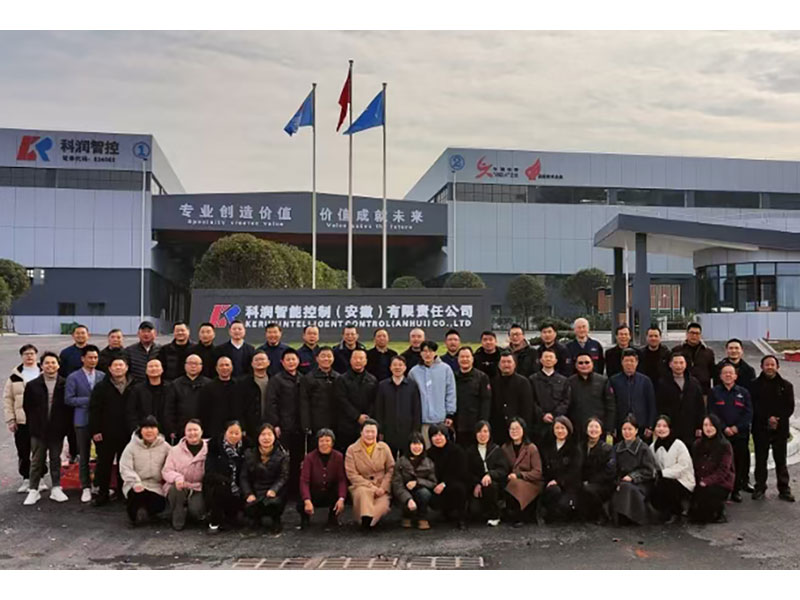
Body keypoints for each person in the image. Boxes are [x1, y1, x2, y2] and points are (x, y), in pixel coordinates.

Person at [22, 352, 70, 505]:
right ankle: (33, 490)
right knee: (37, 460)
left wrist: (64, 427)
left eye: (53, 363)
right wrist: (34, 425)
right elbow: (27, 407)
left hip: (57, 430)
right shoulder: (32, 385)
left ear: (58, 365)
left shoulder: (65, 383)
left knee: (56, 459)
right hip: (38, 430)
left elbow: (68, 408)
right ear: (41, 366)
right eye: (47, 363)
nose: (50, 366)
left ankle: (56, 488)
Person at [89, 356, 134, 506]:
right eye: (115, 365)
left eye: (121, 365)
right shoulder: (101, 387)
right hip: (106, 432)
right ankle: (102, 493)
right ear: (109, 369)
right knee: (104, 464)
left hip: (127, 432)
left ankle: (123, 493)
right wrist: (95, 430)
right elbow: (94, 410)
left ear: (126, 368)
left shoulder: (134, 385)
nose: (118, 368)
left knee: (125, 464)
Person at [751, 355, 795, 502]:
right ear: (761, 367)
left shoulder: (786, 386)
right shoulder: (754, 385)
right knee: (760, 459)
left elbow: (789, 407)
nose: (769, 367)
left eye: (772, 365)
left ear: (777, 367)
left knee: (781, 460)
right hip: (760, 428)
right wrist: (767, 418)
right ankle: (760, 487)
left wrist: (777, 419)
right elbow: (754, 406)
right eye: (767, 364)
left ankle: (784, 489)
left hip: (780, 428)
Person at [65, 344, 104, 503]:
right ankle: (85, 486)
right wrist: (90, 401)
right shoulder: (73, 377)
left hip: (100, 421)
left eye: (95, 357)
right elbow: (69, 399)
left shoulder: (102, 375)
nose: (93, 360)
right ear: (83, 359)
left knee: (102, 454)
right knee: (84, 455)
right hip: (82, 420)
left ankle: (99, 484)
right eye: (90, 357)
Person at [709, 363, 753, 502]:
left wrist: (736, 428)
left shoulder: (743, 393)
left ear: (735, 376)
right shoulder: (714, 392)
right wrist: (723, 428)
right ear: (720, 376)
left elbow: (748, 413)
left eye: (731, 373)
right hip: (721, 435)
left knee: (739, 462)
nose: (728, 375)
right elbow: (711, 412)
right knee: (721, 463)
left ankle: (736, 490)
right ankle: (721, 490)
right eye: (725, 373)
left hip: (740, 435)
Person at [344, 419, 395, 530]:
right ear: (361, 432)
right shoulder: (352, 450)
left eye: (373, 432)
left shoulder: (384, 447)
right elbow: (352, 474)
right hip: (361, 485)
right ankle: (365, 520)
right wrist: (371, 487)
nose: (370, 435)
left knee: (383, 505)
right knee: (363, 494)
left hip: (380, 487)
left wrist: (383, 487)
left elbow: (391, 469)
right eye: (367, 432)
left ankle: (370, 520)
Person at [119, 415, 170, 526]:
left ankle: (149, 512)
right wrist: (135, 482)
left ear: (157, 430)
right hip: (136, 484)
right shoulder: (131, 447)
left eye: (152, 427)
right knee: (136, 495)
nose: (149, 431)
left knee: (159, 504)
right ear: (140, 430)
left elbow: (173, 463)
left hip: (156, 486)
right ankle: (133, 516)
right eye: (146, 428)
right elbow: (125, 467)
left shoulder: (165, 446)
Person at [266, 348, 303, 496]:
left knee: (298, 460)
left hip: (300, 427)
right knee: (285, 461)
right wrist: (275, 424)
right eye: (288, 360)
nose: (291, 362)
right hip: (284, 427)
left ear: (298, 361)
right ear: (282, 362)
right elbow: (271, 403)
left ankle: (296, 492)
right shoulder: (276, 380)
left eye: (293, 359)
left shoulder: (302, 378)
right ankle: (284, 493)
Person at [4, 344, 41, 494]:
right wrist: (10, 419)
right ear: (22, 356)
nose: (29, 356)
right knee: (23, 451)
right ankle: (26, 478)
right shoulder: (15, 376)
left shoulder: (43, 372)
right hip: (22, 420)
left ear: (36, 355)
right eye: (26, 354)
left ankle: (40, 478)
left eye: (32, 353)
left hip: (40, 420)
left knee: (39, 451)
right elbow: (8, 399)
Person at [610, 415, 658, 526]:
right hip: (621, 481)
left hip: (641, 483)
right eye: (624, 429)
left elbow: (649, 470)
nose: (627, 432)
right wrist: (618, 481)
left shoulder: (643, 448)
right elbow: (613, 468)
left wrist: (632, 477)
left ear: (636, 430)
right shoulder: (617, 447)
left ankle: (631, 517)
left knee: (626, 488)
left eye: (630, 429)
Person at [241, 423, 289, 533]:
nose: (266, 438)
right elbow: (244, 477)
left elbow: (283, 477)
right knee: (250, 505)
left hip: (272, 492)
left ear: (274, 437)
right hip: (255, 491)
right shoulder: (249, 454)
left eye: (269, 434)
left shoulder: (282, 456)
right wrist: (248, 493)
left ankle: (276, 520)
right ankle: (255, 519)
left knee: (275, 502)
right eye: (263, 434)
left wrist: (274, 490)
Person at [162, 419, 208, 530]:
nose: (192, 433)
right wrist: (177, 478)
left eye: (195, 430)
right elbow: (166, 470)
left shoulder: (209, 449)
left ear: (201, 432)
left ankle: (191, 510)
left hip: (199, 487)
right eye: (189, 430)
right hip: (180, 485)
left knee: (197, 511)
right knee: (175, 489)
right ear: (185, 432)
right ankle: (178, 516)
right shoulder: (175, 450)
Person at [409, 341, 456, 447]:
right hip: (423, 421)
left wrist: (450, 413)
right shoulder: (414, 372)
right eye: (424, 351)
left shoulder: (445, 369)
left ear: (435, 352)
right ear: (420, 353)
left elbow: (450, 392)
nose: (427, 354)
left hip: (441, 421)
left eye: (430, 351)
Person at [298, 428, 347, 529]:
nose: (324, 444)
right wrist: (307, 500)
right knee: (302, 497)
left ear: (332, 443)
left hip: (329, 491)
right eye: (321, 441)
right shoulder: (309, 458)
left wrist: (341, 498)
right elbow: (304, 481)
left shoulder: (338, 456)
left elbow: (341, 479)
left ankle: (333, 518)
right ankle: (305, 518)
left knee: (338, 493)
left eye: (327, 441)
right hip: (314, 491)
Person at [689, 414, 735, 523]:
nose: (708, 428)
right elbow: (693, 465)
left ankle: (719, 511)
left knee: (706, 513)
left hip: (720, 483)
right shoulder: (697, 444)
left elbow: (723, 471)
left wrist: (707, 481)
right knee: (695, 514)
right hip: (700, 481)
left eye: (711, 425)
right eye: (705, 425)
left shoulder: (725, 445)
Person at [650, 416, 695, 523]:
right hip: (663, 479)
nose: (661, 429)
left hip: (683, 481)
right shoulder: (652, 447)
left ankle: (676, 512)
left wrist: (663, 473)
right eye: (658, 426)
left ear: (670, 428)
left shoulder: (678, 445)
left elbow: (683, 466)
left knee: (666, 484)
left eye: (665, 426)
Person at [203, 420, 246, 532]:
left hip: (240, 485)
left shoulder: (246, 447)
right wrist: (226, 480)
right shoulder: (214, 447)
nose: (234, 436)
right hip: (220, 485)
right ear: (225, 432)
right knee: (219, 489)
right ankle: (214, 521)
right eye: (230, 432)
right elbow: (209, 472)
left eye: (237, 433)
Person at [656, 352, 705, 449]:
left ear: (686, 364)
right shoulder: (663, 383)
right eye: (676, 363)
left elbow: (700, 406)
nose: (678, 366)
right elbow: (659, 406)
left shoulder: (694, 383)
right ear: (670, 364)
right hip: (671, 427)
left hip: (690, 427)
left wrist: (700, 426)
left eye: (681, 363)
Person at [538, 416, 582, 523]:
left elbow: (574, 471)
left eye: (563, 428)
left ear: (568, 429)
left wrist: (558, 481)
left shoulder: (574, 448)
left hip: (568, 484)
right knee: (553, 492)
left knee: (565, 507)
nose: (560, 431)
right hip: (549, 484)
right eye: (557, 428)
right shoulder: (547, 446)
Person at [466, 421, 510, 526]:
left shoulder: (496, 450)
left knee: (490, 486)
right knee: (474, 511)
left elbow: (503, 469)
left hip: (494, 485)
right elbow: (467, 472)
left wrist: (490, 474)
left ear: (490, 433)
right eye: (479, 432)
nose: (482, 435)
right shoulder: (470, 451)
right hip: (476, 486)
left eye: (485, 431)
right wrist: (477, 483)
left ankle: (495, 515)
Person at [375, 355, 422, 455]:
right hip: (388, 432)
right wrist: (380, 430)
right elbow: (379, 409)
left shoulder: (412, 386)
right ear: (390, 367)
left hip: (407, 432)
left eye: (400, 365)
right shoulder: (383, 386)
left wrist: (415, 431)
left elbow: (417, 410)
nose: (397, 367)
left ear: (405, 368)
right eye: (395, 365)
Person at [333, 348, 378, 451]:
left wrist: (367, 418)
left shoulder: (372, 380)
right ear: (350, 360)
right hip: (347, 426)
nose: (358, 361)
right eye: (355, 358)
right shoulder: (341, 379)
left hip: (366, 425)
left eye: (361, 358)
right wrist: (357, 416)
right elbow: (342, 400)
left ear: (366, 361)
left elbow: (374, 401)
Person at [501, 417, 543, 526]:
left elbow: (537, 472)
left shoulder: (531, 448)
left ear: (523, 430)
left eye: (517, 428)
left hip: (530, 482)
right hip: (510, 481)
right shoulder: (505, 448)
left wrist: (519, 475)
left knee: (516, 484)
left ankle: (520, 516)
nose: (514, 431)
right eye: (512, 429)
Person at [426, 423, 469, 529]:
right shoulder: (429, 453)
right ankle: (443, 513)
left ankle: (461, 519)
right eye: (434, 435)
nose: (438, 438)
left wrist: (444, 483)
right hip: (435, 485)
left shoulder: (456, 450)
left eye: (441, 435)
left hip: (453, 483)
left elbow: (461, 471)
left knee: (459, 488)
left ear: (446, 436)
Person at [392, 431, 437, 530]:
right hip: (404, 493)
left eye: (419, 444)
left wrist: (418, 482)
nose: (417, 447)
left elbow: (433, 482)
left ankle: (422, 517)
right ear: (409, 446)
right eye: (414, 444)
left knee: (424, 493)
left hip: (420, 492)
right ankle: (406, 515)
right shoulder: (400, 462)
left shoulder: (428, 462)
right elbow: (397, 484)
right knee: (401, 496)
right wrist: (408, 499)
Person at [609, 348, 656, 441]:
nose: (629, 364)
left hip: (641, 425)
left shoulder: (645, 381)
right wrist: (612, 426)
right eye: (626, 361)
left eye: (632, 361)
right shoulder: (613, 380)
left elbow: (651, 404)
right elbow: (611, 404)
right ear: (622, 362)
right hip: (620, 426)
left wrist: (650, 425)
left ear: (637, 362)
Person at [490, 351, 536, 444]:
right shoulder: (493, 382)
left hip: (518, 430)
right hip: (498, 430)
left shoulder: (523, 382)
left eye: (509, 362)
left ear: (514, 364)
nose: (506, 365)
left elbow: (527, 409)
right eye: (503, 362)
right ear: (499, 365)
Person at [567, 353, 615, 439]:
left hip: (598, 428)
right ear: (576, 365)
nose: (584, 365)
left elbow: (610, 406)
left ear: (592, 364)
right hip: (576, 430)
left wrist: (609, 428)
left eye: (587, 362)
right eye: (580, 363)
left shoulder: (603, 381)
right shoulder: (570, 382)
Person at [59, 324, 89, 462]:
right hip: (72, 395)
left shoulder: (93, 352)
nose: (80, 336)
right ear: (73, 336)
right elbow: (61, 374)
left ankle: (91, 455)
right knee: (72, 427)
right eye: (78, 333)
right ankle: (74, 453)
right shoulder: (66, 353)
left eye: (83, 333)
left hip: (89, 394)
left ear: (88, 335)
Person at [165, 354, 211, 441]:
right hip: (181, 429)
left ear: (201, 366)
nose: (193, 366)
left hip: (204, 429)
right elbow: (169, 409)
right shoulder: (175, 384)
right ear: (185, 366)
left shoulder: (208, 384)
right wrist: (171, 429)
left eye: (196, 364)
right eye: (190, 363)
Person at [529, 347, 570, 445]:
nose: (548, 359)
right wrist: (542, 415)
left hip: (557, 423)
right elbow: (530, 400)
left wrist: (554, 415)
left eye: (551, 357)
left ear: (555, 361)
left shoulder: (563, 380)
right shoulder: (532, 379)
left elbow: (566, 400)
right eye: (546, 357)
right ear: (541, 360)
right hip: (538, 424)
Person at [578, 417, 616, 523]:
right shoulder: (580, 447)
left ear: (601, 430)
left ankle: (602, 514)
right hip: (584, 481)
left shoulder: (607, 448)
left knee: (589, 489)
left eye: (596, 427)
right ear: (586, 430)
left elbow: (610, 471)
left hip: (603, 483)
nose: (593, 429)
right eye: (591, 426)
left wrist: (591, 481)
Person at [453, 346, 492, 448]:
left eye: (467, 357)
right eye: (462, 357)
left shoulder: (482, 377)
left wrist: (483, 424)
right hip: (458, 425)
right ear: (458, 359)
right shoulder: (453, 377)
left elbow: (486, 402)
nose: (465, 359)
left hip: (475, 425)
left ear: (472, 359)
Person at [299, 347, 340, 438]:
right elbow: (304, 403)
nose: (326, 359)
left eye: (329, 356)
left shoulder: (338, 378)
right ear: (317, 358)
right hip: (315, 423)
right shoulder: (308, 379)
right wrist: (306, 425)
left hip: (335, 423)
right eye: (323, 356)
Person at [198, 357, 239, 441]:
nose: (224, 368)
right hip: (213, 431)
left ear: (232, 367)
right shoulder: (208, 387)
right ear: (216, 368)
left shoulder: (239, 386)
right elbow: (203, 411)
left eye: (227, 365)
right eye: (221, 365)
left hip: (234, 430)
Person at [126, 359, 169, 438]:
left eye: (156, 366)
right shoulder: (137, 389)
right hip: (143, 432)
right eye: (150, 366)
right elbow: (131, 412)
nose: (154, 368)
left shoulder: (170, 388)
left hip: (166, 432)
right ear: (146, 370)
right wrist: (137, 430)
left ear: (162, 369)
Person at [233, 350, 269, 440]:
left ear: (268, 362)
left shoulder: (273, 380)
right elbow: (238, 406)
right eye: (256, 360)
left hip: (269, 425)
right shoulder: (243, 383)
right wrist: (242, 427)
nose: (259, 362)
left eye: (262, 359)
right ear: (252, 363)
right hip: (250, 426)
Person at [672, 322, 715, 398]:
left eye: (697, 333)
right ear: (687, 334)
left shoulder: (708, 352)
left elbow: (712, 372)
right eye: (692, 333)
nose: (694, 336)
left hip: (703, 392)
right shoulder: (677, 350)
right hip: (681, 392)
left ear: (700, 335)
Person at [638, 326, 671, 390]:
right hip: (644, 387)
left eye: (656, 336)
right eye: (650, 336)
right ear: (646, 337)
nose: (653, 338)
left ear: (660, 337)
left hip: (662, 388)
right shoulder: (640, 354)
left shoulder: (667, 354)